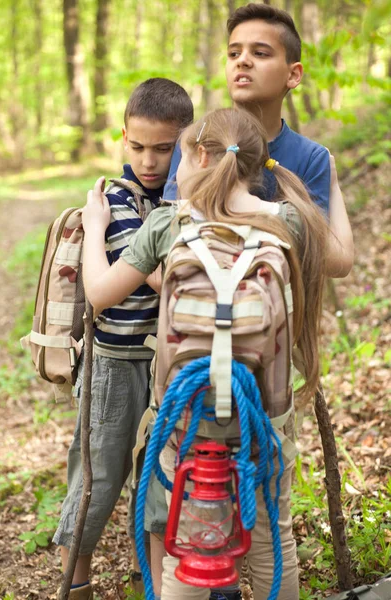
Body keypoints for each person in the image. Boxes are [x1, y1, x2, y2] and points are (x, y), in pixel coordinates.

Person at [81, 107, 347, 600]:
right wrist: (328, 183)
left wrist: (96, 226)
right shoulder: (287, 219)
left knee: (188, 549)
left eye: (179, 157)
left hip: (185, 422)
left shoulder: (168, 222)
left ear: (201, 154)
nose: (174, 172)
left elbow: (99, 292)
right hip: (263, 417)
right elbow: (343, 258)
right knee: (273, 541)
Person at [52, 77, 193, 600]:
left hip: (169, 363)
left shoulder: (182, 196)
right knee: (98, 474)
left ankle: (151, 581)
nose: (150, 160)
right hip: (115, 359)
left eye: (164, 148)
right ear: (122, 138)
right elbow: (159, 277)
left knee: (158, 475)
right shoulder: (115, 199)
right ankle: (76, 582)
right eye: (137, 146)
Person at [164, 2, 354, 279]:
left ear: (293, 74)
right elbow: (165, 244)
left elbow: (328, 260)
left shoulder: (311, 158)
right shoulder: (195, 141)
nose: (243, 60)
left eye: (261, 53)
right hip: (196, 312)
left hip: (278, 317)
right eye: (234, 52)